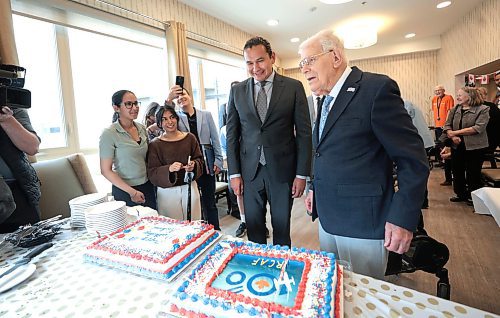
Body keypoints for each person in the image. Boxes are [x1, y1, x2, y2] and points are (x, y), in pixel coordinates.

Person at [299, 30, 429, 279]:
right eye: (301, 63)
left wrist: (402, 218)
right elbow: (324, 151)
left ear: (335, 56)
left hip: (363, 222)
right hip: (327, 218)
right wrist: (314, 187)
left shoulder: (375, 89)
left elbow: (412, 160)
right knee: (336, 289)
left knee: (364, 298)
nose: (304, 69)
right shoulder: (322, 100)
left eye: (310, 60)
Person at [227, 36, 312, 246]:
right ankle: (259, 273)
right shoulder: (237, 91)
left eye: (260, 60)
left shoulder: (293, 87)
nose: (255, 68)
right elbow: (232, 135)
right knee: (254, 229)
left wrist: (302, 174)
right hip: (249, 173)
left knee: (282, 227)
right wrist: (234, 173)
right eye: (249, 62)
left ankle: (282, 268)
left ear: (272, 57)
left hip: (283, 172)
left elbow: (304, 133)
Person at [165, 88, 223, 230]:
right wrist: (169, 99)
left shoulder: (206, 114)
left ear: (190, 96)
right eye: (177, 97)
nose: (181, 98)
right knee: (195, 200)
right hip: (189, 163)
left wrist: (218, 160)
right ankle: (201, 231)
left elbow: (215, 138)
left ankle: (216, 229)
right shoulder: (176, 118)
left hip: (207, 160)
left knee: (210, 200)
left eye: (183, 94)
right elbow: (164, 115)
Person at [99, 90, 157, 209]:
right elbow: (106, 170)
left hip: (147, 186)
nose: (135, 107)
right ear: (116, 108)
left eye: (136, 103)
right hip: (125, 191)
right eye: (129, 104)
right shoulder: (109, 133)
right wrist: (132, 192)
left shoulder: (141, 128)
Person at [147, 105, 204, 220]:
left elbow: (200, 161)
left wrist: (194, 165)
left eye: (172, 117)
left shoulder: (190, 138)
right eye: (164, 119)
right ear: (159, 123)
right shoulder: (155, 144)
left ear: (177, 118)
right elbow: (152, 172)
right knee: (174, 228)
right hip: (167, 192)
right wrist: (169, 169)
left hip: (189, 187)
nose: (170, 122)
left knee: (194, 224)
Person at [443, 87, 489, 205]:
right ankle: (461, 194)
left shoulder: (483, 109)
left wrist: (456, 133)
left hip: (476, 146)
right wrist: (453, 137)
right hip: (457, 146)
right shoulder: (455, 109)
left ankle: (475, 198)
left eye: (460, 95)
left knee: (473, 172)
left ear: (470, 96)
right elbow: (447, 126)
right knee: (457, 170)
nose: (457, 97)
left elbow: (478, 128)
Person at [0, 105, 41, 233]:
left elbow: (32, 147)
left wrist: (7, 119)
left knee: (34, 245)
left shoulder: (11, 104)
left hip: (20, 192)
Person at [404, 100, 435, 209]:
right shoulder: (405, 103)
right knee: (418, 173)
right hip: (418, 142)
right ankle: (422, 201)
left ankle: (420, 201)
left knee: (416, 173)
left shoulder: (405, 105)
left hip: (415, 142)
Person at [432, 85, 454, 186]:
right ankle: (442, 161)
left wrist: (447, 124)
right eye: (436, 91)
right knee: (439, 144)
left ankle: (446, 161)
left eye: (439, 90)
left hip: (445, 126)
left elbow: (450, 111)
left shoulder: (448, 98)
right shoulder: (434, 99)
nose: (437, 92)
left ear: (443, 90)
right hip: (437, 125)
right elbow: (434, 111)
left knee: (445, 145)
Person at [477, 87, 500, 153]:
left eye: (480, 94)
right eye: (477, 94)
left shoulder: (491, 106)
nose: (478, 96)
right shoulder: (473, 107)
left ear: (485, 96)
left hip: (489, 140)